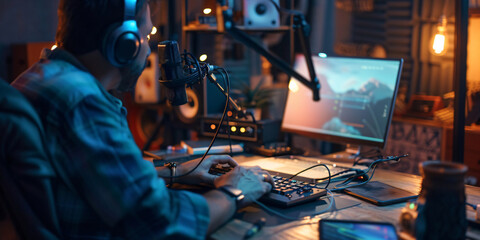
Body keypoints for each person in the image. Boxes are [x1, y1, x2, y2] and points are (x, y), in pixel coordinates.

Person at [11, 0, 273, 239]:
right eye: (145, 36)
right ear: (123, 43)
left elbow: (95, 177)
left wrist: (175, 171)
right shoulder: (80, 100)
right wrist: (234, 191)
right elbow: (160, 224)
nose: (147, 49)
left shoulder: (37, 79)